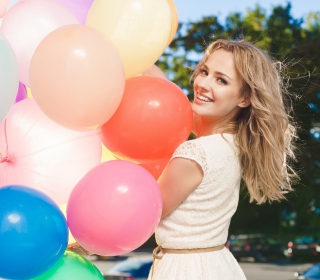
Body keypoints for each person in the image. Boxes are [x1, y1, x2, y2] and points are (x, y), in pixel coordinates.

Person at [148, 39, 298, 280]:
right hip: (217, 263)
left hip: (185, 270)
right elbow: (172, 107)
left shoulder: (195, 153)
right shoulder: (234, 145)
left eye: (221, 80)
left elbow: (146, 212)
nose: (203, 84)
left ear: (244, 98)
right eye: (204, 72)